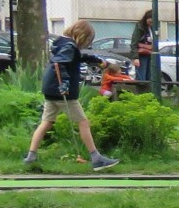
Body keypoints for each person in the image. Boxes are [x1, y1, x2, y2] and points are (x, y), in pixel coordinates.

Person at [24, 21, 119, 171]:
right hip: (62, 92)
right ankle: (96, 158)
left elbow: (77, 57)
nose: (86, 43)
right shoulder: (69, 46)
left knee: (47, 122)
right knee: (83, 122)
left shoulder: (64, 44)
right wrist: (65, 84)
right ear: (82, 35)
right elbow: (59, 64)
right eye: (87, 40)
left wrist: (99, 61)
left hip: (50, 89)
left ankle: (31, 156)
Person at [132, 11, 156, 83]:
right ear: (146, 18)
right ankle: (141, 92)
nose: (151, 24)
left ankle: (148, 92)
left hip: (150, 53)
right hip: (142, 55)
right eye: (150, 21)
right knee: (141, 76)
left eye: (152, 22)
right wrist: (135, 57)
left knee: (149, 76)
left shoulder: (153, 28)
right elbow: (134, 43)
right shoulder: (140, 27)